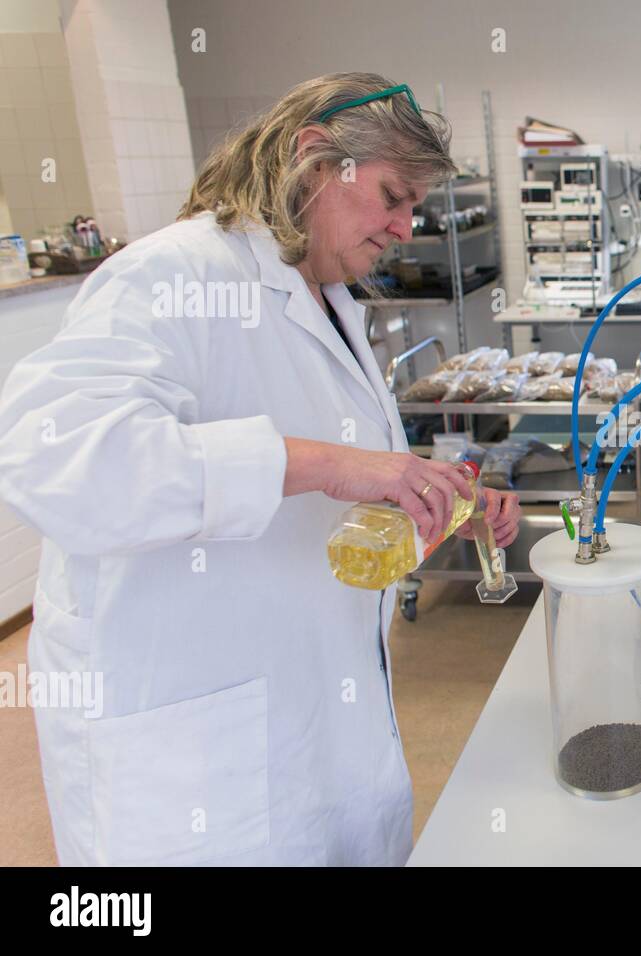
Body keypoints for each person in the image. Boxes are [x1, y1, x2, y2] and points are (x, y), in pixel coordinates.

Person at [0, 73, 520, 866]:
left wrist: (443, 497)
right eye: (392, 195)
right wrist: (323, 464)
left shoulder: (327, 298)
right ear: (316, 158)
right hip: (202, 764)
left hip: (323, 721)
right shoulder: (175, 274)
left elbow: (345, 472)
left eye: (413, 206)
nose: (404, 228)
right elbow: (53, 454)